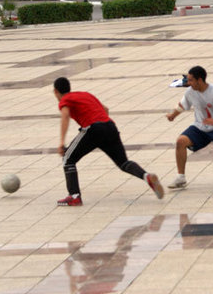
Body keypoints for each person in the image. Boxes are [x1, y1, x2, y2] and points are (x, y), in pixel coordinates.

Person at [53, 77, 164, 206]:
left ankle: (74, 196)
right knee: (123, 162)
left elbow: (65, 116)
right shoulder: (85, 94)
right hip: (110, 126)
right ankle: (146, 176)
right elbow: (105, 109)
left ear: (56, 91)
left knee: (68, 158)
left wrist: (62, 141)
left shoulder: (65, 100)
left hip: (93, 128)